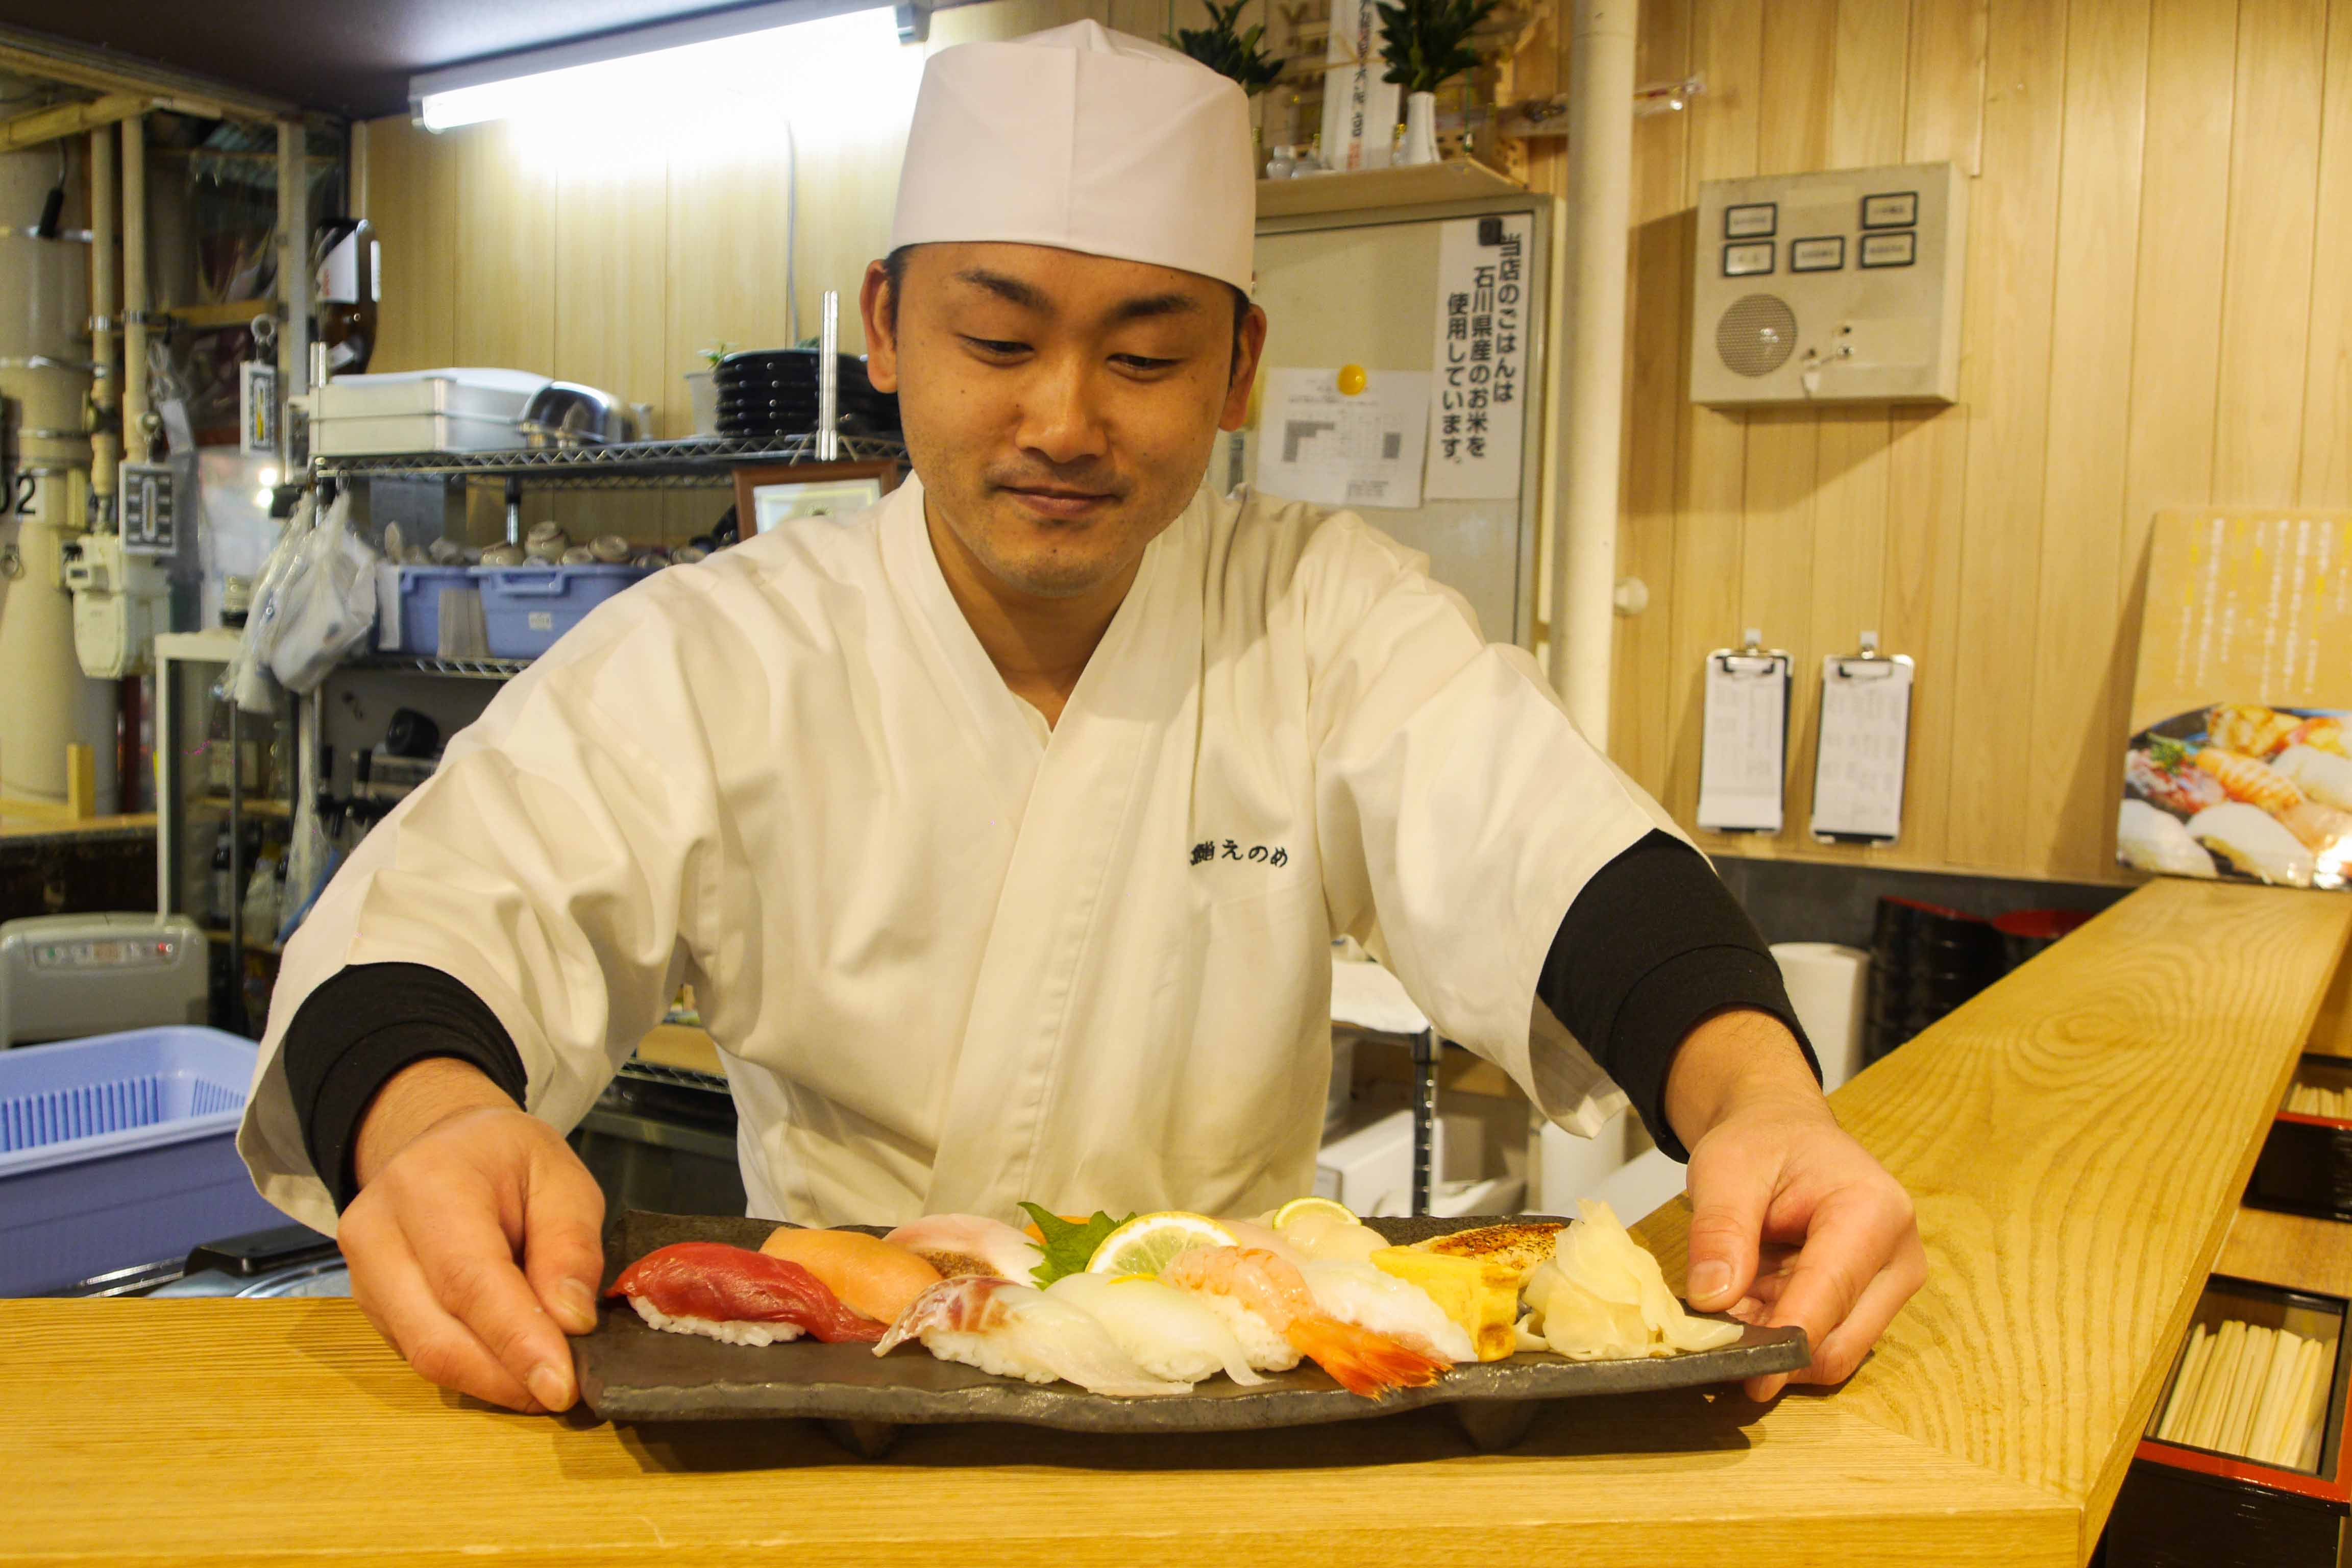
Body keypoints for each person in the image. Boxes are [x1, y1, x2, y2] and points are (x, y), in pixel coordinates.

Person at [237, 21, 1922, 1418]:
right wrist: (436, 1123)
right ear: (887, 327)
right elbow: (444, 917)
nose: (1061, 420)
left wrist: (1762, 1106)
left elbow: (1560, 855)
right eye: (996, 338)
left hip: (1234, 1391)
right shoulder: (721, 650)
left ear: (1240, 371)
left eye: (1145, 358)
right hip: (837, 1396)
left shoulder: (1318, 613)